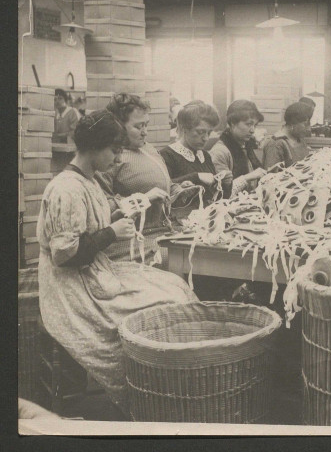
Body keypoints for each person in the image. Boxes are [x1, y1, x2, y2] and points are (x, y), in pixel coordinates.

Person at [37, 110, 197, 416]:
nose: (117, 156)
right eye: (114, 150)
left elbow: (88, 226)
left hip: (94, 273)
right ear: (94, 148)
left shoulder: (88, 180)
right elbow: (64, 255)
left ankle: (166, 389)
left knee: (174, 286)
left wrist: (128, 211)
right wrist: (111, 233)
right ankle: (148, 392)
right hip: (71, 288)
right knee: (160, 304)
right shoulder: (66, 188)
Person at [96, 93, 199, 263]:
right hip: (132, 243)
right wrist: (143, 199)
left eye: (146, 125)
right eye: (138, 126)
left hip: (162, 233)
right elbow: (100, 208)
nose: (145, 132)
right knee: (192, 258)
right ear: (118, 126)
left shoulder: (149, 149)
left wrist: (178, 190)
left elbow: (158, 186)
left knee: (204, 249)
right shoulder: (109, 157)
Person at [159, 101, 221, 205]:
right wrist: (195, 177)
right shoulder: (166, 155)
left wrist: (224, 183)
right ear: (184, 129)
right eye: (200, 132)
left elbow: (214, 197)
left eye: (209, 133)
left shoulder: (205, 155)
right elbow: (164, 190)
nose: (206, 138)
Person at [207, 100, 267, 198]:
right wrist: (248, 177)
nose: (252, 130)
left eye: (255, 125)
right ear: (233, 123)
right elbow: (219, 194)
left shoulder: (245, 146)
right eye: (248, 124)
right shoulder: (220, 152)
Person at [262, 102, 312, 169]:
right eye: (305, 124)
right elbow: (270, 176)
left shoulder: (298, 139)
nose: (309, 129)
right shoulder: (276, 144)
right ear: (293, 123)